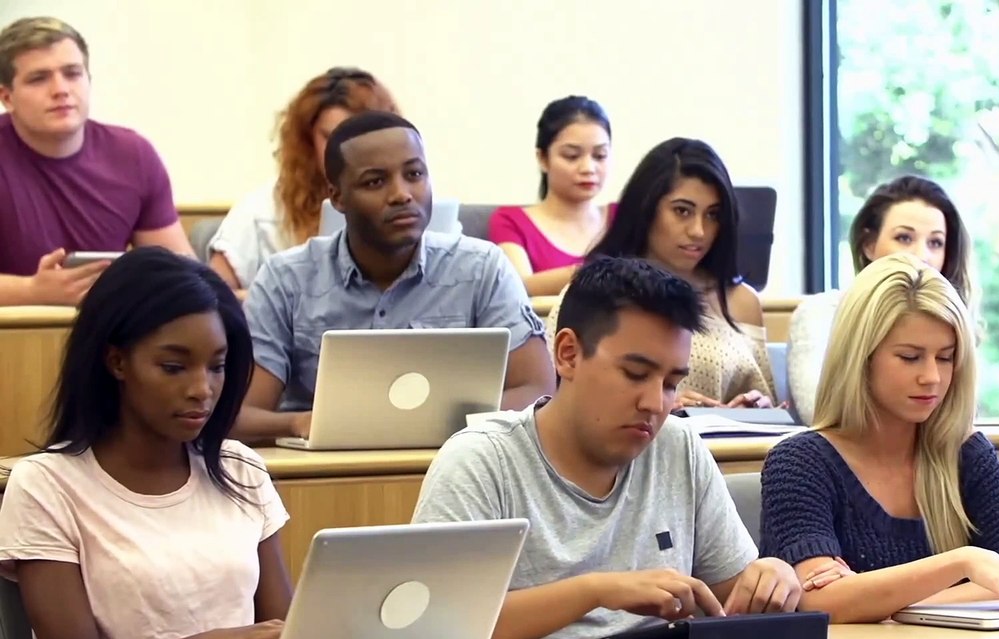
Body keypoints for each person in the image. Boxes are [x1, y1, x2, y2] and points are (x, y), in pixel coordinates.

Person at [413, 257, 802, 639]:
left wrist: (770, 578)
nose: (655, 403)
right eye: (635, 374)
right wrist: (595, 592)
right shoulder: (480, 461)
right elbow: (440, 624)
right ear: (567, 354)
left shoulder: (678, 445)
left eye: (670, 383)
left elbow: (731, 591)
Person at [0, 247, 291, 639]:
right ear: (116, 361)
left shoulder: (240, 469)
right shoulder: (46, 486)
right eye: (174, 367)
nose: (202, 389)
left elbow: (283, 635)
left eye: (217, 367)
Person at [759, 253, 999, 626]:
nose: (932, 377)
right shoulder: (800, 461)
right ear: (861, 358)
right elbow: (824, 603)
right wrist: (966, 562)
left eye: (946, 358)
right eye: (909, 357)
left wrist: (880, 602)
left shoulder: (966, 453)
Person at [236, 111, 554, 442]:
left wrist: (439, 421)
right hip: (323, 477)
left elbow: (538, 391)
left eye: (414, 174)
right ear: (338, 198)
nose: (402, 194)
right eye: (375, 181)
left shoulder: (482, 268)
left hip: (455, 464)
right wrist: (299, 423)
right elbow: (241, 416)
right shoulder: (285, 279)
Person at [547, 137, 775, 410]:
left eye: (713, 215)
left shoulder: (742, 301)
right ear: (646, 209)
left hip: (731, 449)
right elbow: (555, 402)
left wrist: (756, 406)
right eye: (682, 211)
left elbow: (769, 408)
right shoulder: (594, 292)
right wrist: (665, 407)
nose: (699, 231)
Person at [0, 17, 193, 307]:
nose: (61, 89)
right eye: (39, 78)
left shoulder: (132, 155)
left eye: (72, 74)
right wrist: (31, 292)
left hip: (111, 334)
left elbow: (181, 275)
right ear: (7, 97)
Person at [787, 176, 976, 425]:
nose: (922, 255)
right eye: (905, 238)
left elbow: (962, 416)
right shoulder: (820, 313)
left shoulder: (955, 322)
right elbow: (819, 410)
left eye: (935, 243)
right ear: (868, 245)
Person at [208, 67, 400, 291]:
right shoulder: (259, 212)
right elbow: (215, 298)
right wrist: (275, 305)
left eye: (357, 138)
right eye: (330, 137)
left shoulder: (404, 201)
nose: (344, 151)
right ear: (307, 141)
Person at [489, 95, 615, 296]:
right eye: (572, 156)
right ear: (543, 158)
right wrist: (606, 272)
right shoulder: (510, 220)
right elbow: (518, 287)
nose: (588, 168)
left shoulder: (624, 214)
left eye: (600, 156)